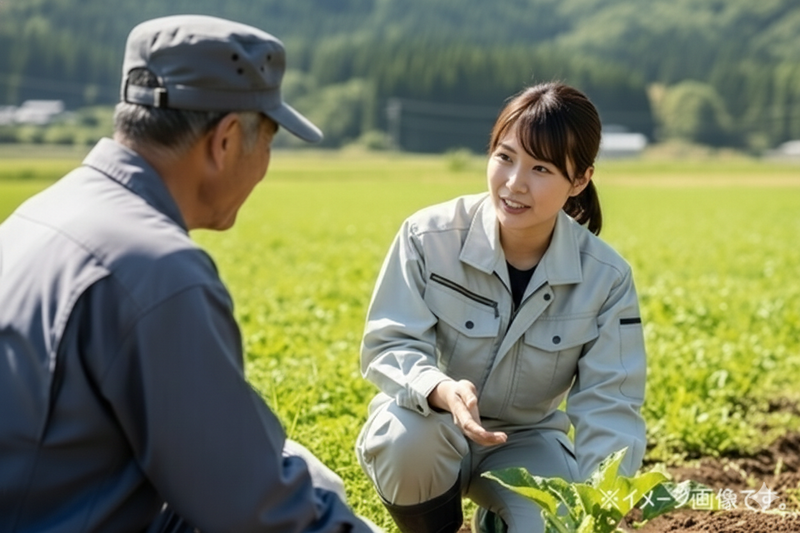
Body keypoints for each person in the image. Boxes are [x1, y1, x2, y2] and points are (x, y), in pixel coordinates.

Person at [0, 14, 380, 533]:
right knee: (311, 487)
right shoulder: (157, 271)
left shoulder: (41, 211)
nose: (265, 162)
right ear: (225, 141)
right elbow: (257, 507)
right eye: (267, 140)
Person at [355, 82, 647, 533]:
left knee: (554, 522)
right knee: (405, 439)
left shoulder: (605, 278)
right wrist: (439, 389)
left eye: (541, 169)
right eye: (505, 158)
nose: (514, 183)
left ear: (580, 180)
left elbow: (609, 402)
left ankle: (500, 519)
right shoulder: (427, 237)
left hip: (527, 441)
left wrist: (604, 501)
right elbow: (389, 343)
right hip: (435, 422)